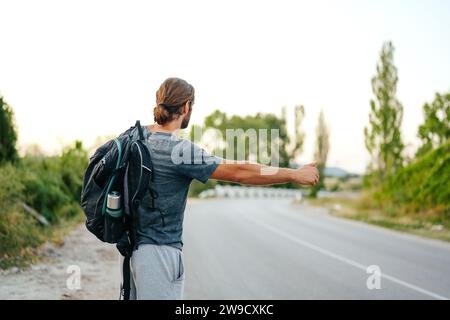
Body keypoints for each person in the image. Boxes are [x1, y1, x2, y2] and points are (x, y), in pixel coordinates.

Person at [128, 77, 319, 299]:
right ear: (186, 107)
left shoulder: (135, 136)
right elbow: (240, 172)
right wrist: (293, 174)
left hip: (133, 252)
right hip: (160, 253)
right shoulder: (178, 151)